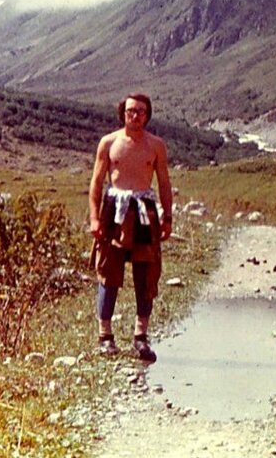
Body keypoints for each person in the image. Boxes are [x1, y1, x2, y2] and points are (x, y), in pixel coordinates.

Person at [88, 93, 173, 361]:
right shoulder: (109, 143)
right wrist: (94, 218)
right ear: (122, 113)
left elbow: (164, 183)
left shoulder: (156, 145)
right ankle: (105, 336)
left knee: (145, 274)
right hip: (114, 210)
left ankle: (141, 337)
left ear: (147, 115)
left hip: (144, 210)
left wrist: (167, 217)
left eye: (140, 111)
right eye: (130, 111)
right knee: (108, 271)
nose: (135, 116)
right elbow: (96, 181)